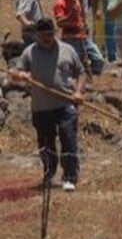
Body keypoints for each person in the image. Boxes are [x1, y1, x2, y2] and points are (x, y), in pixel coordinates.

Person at [9, 18, 85, 192]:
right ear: (37, 35)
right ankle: (49, 173)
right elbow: (14, 72)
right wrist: (21, 75)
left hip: (66, 103)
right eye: (43, 35)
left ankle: (70, 177)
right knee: (45, 143)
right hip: (41, 107)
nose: (47, 38)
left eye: (50, 34)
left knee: (68, 139)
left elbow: (81, 72)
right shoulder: (29, 52)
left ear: (55, 33)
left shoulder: (67, 50)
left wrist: (79, 92)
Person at [53, 0, 104, 76]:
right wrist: (69, 17)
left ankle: (86, 76)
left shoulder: (76, 0)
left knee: (98, 59)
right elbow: (59, 23)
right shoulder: (60, 3)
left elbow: (79, 17)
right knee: (75, 64)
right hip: (70, 38)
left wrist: (84, 25)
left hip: (82, 36)